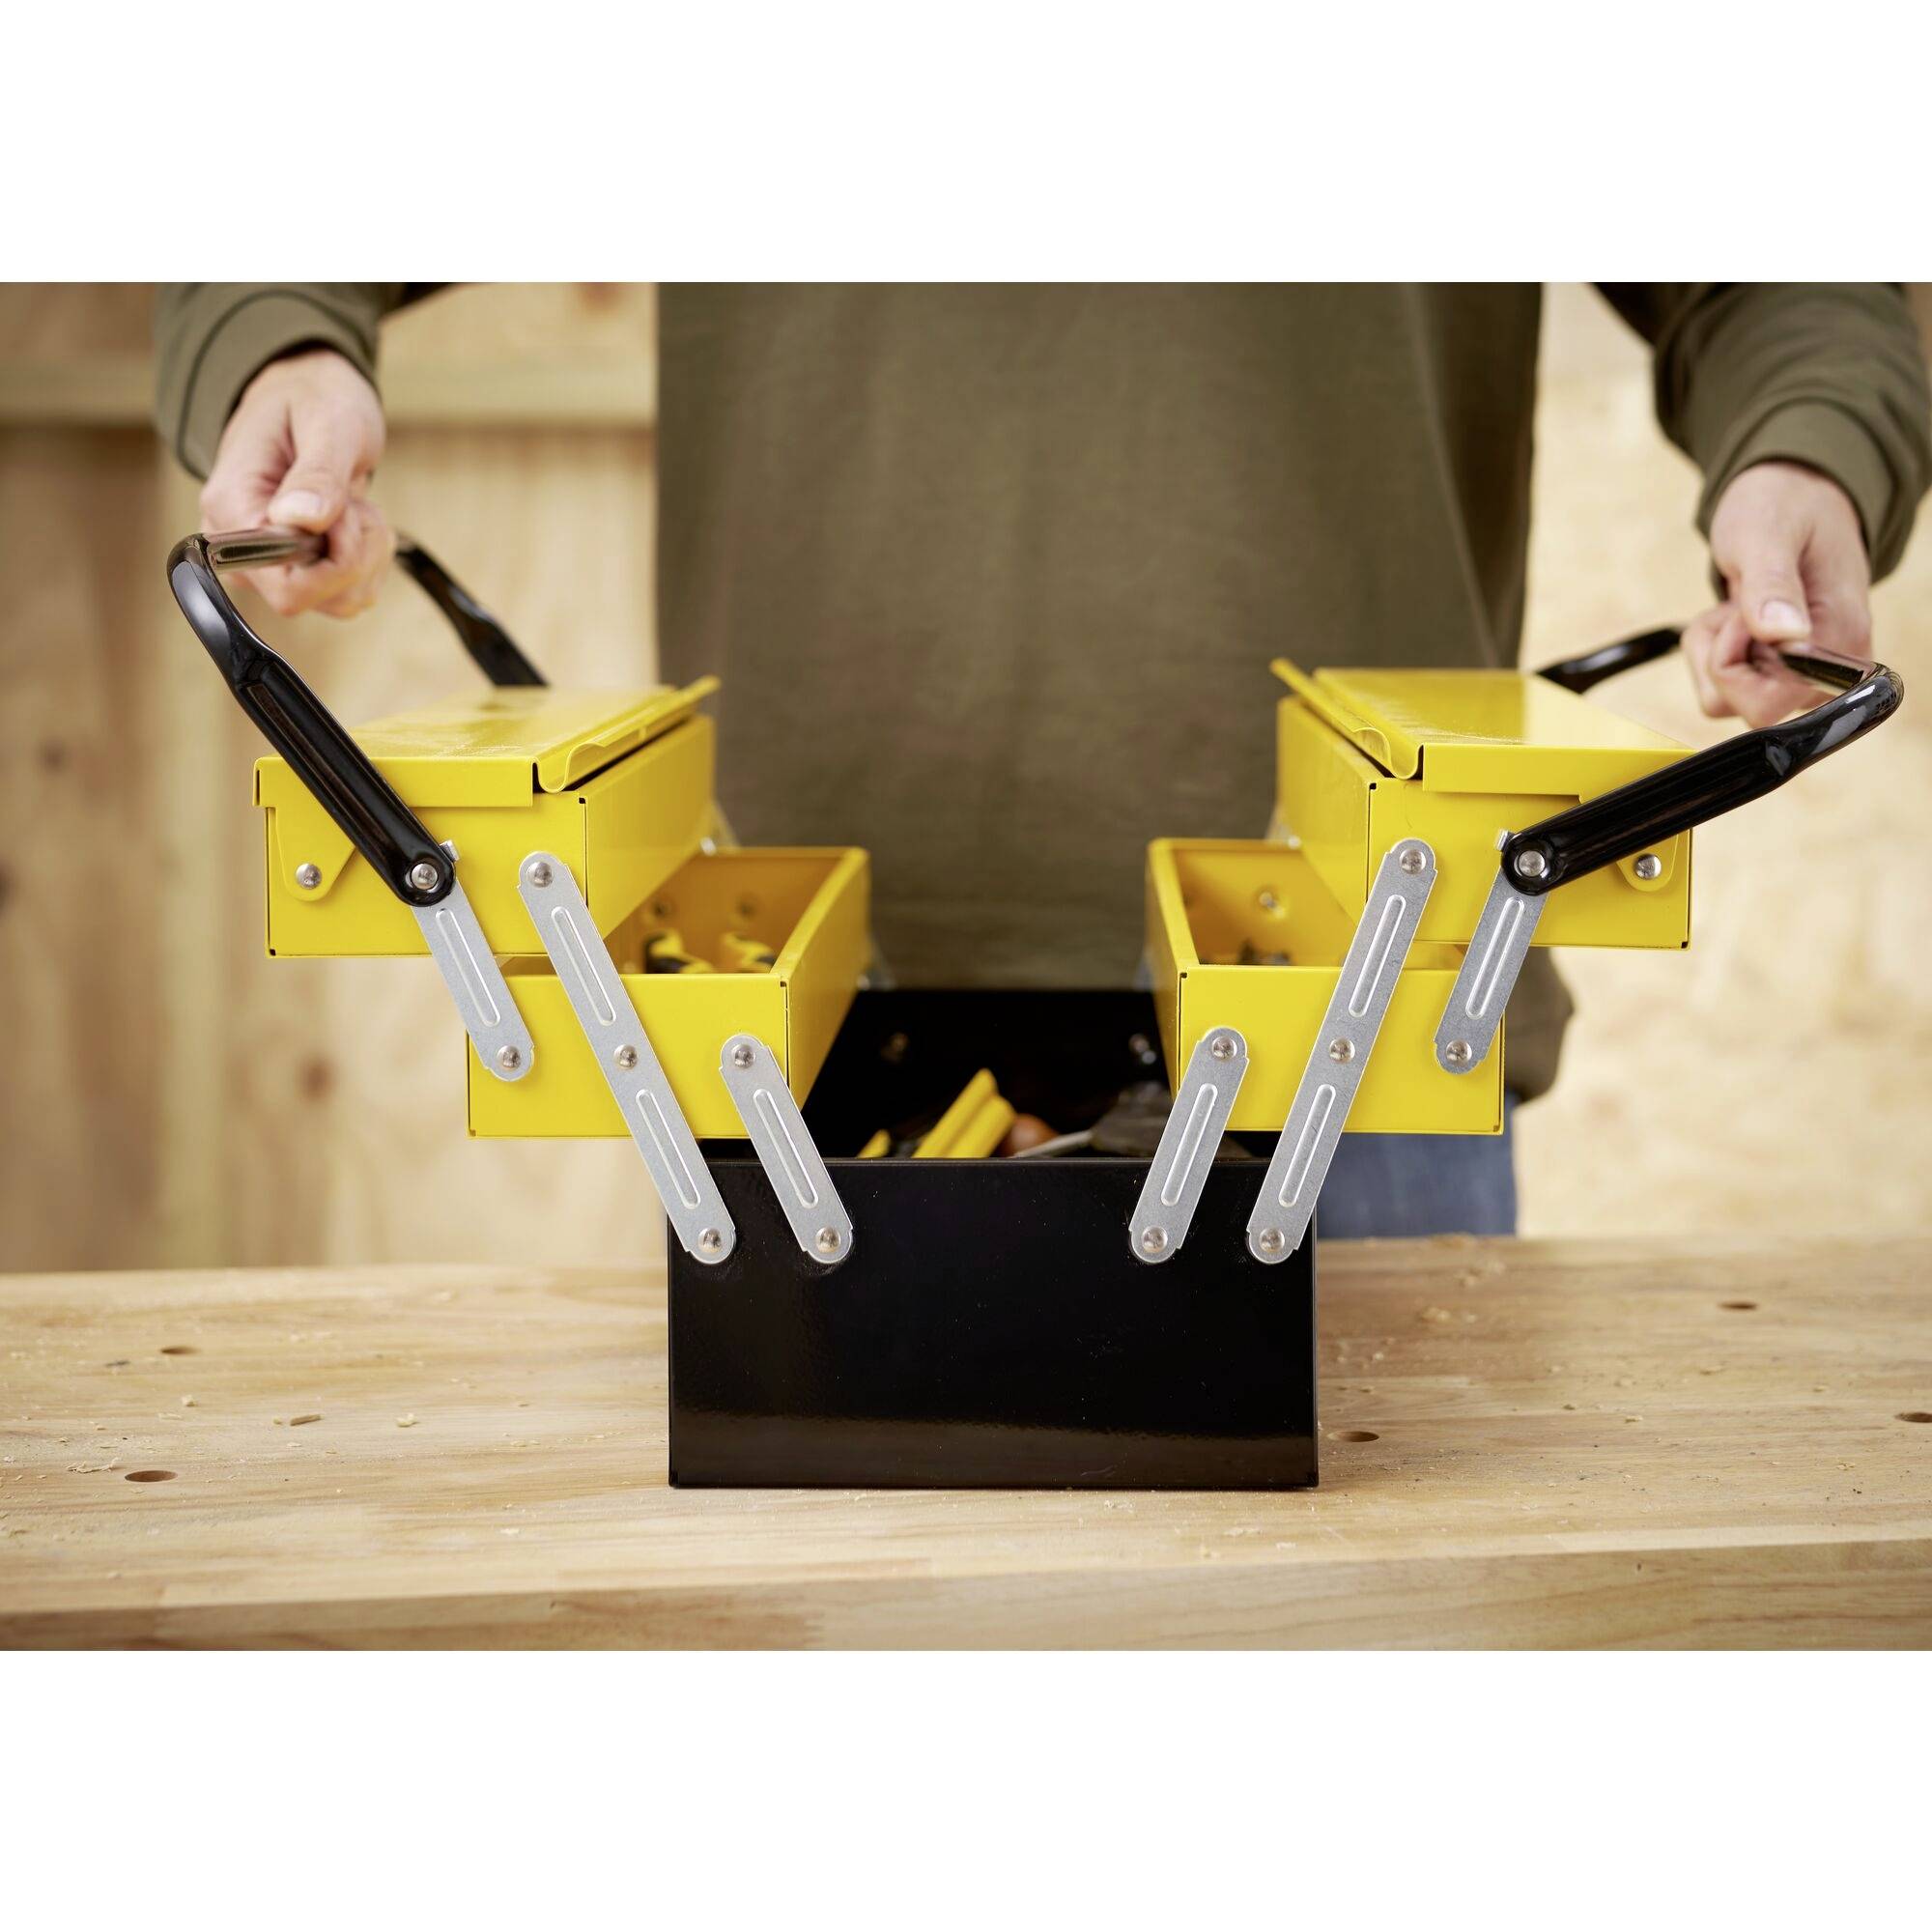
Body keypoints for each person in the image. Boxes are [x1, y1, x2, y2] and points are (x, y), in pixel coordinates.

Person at [154, 285, 1931, 1237]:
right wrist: (282, 338)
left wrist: (1807, 452)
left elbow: (1785, 272)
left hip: (1375, 1023)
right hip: (779, 1031)